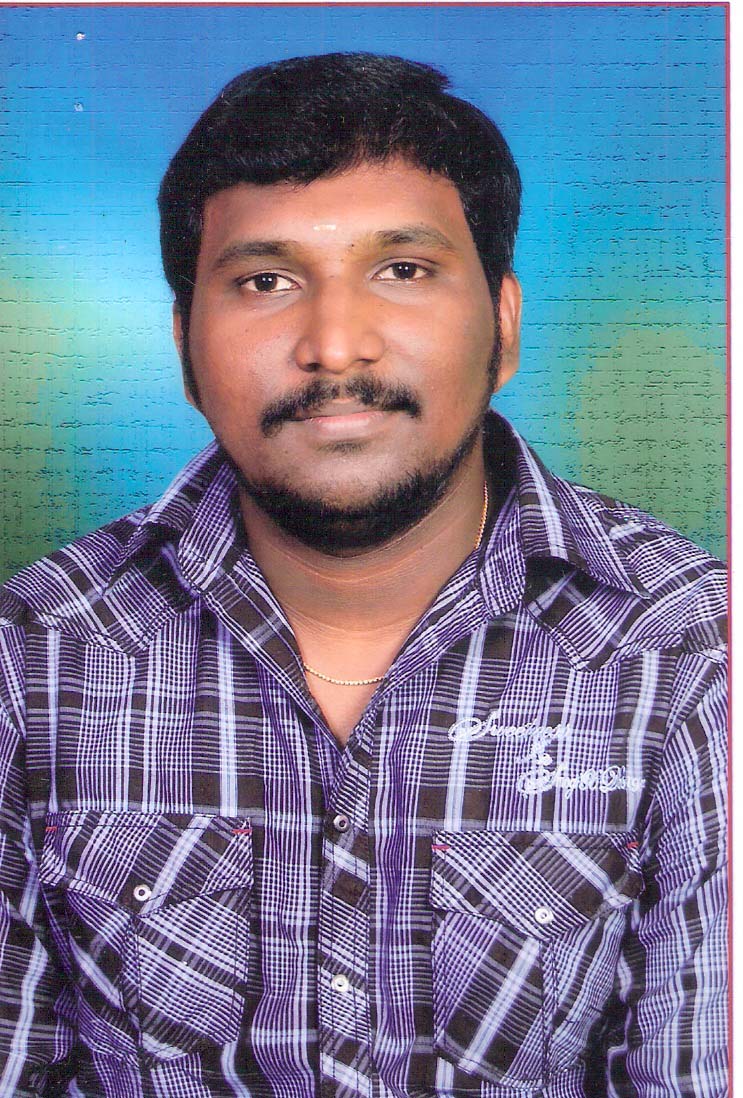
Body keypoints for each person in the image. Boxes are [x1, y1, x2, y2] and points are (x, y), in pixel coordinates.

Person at [0, 52, 727, 1098]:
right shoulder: (33, 656)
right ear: (184, 348)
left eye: (403, 270)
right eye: (265, 281)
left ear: (504, 325)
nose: (334, 347)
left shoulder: (693, 652)